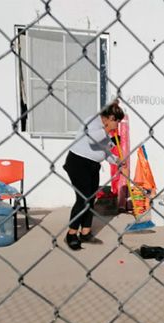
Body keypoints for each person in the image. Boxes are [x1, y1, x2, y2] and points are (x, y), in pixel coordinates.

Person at [63, 101, 125, 250]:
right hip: (78, 163)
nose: (117, 125)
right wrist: (106, 129)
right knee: (83, 198)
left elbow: (105, 151)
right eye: (117, 122)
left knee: (91, 199)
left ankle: (85, 232)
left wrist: (117, 161)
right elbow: (91, 139)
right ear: (111, 117)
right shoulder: (92, 121)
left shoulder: (107, 131)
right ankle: (71, 234)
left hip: (92, 166)